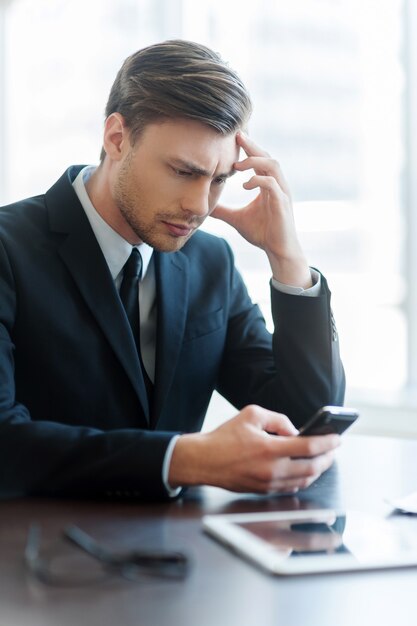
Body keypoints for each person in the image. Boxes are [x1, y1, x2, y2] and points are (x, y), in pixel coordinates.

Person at [0, 40, 345, 500]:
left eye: (219, 179)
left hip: (178, 559)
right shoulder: (8, 249)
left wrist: (288, 258)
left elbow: (304, 423)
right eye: (184, 172)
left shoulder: (210, 262)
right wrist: (188, 458)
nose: (200, 206)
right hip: (33, 558)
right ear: (117, 138)